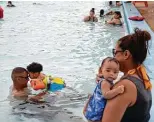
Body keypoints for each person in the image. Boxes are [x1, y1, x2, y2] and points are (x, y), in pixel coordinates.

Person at [101, 28, 152, 122]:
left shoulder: (124, 86)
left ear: (126, 54)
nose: (113, 57)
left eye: (115, 52)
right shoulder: (143, 76)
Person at [83, 57, 124, 122]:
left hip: (93, 110)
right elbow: (106, 94)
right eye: (108, 70)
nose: (111, 74)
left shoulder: (104, 81)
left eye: (115, 72)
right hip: (96, 114)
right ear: (101, 71)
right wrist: (117, 90)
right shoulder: (105, 83)